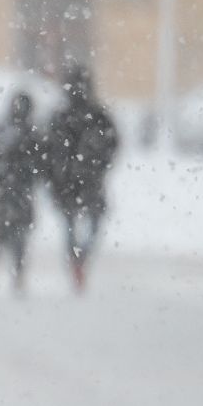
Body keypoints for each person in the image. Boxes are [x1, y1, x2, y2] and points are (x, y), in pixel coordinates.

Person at [42, 65, 120, 293]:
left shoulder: (61, 116)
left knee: (70, 226)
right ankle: (81, 259)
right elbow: (113, 144)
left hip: (66, 182)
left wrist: (55, 175)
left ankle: (76, 260)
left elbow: (47, 151)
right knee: (91, 223)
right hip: (90, 181)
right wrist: (99, 166)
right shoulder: (99, 115)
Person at [0, 91, 41, 295]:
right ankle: (17, 276)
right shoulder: (30, 134)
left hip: (0, 194)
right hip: (19, 195)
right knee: (18, 240)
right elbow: (39, 165)